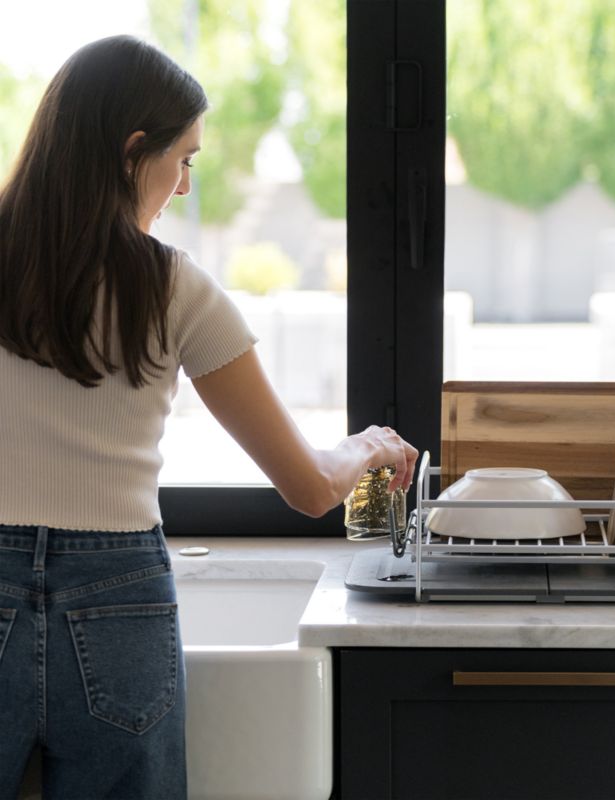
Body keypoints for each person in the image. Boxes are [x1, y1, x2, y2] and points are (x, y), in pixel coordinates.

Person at [0, 34, 417, 800]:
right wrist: (367, 445)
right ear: (134, 152)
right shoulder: (174, 289)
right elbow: (310, 488)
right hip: (118, 595)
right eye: (184, 159)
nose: (185, 187)